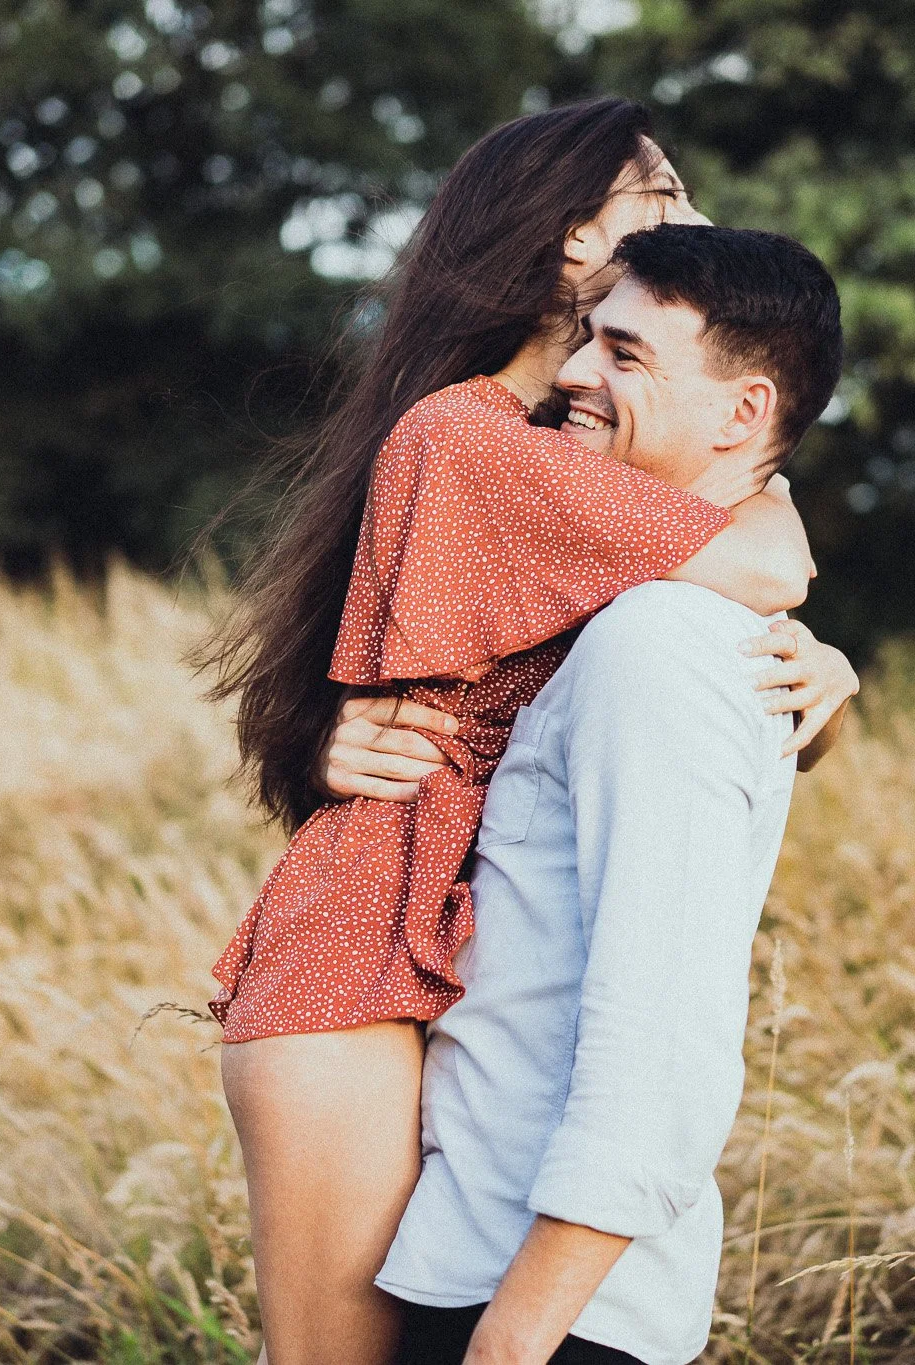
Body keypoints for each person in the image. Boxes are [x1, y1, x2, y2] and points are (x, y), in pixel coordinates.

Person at [193, 100, 858, 1365]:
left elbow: (671, 655)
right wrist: (787, 571)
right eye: (660, 192)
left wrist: (819, 682)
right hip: (356, 968)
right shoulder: (473, 433)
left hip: (433, 942)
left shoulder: (573, 447)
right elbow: (765, 555)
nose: (693, 211)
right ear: (568, 243)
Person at [376, 222, 842, 1365]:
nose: (576, 371)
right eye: (587, 337)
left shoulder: (658, 647)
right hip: (485, 1263)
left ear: (742, 414)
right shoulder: (634, 620)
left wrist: (514, 1338)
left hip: (544, 1311)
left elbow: (665, 1041)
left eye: (624, 354)